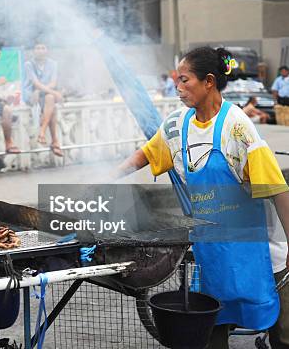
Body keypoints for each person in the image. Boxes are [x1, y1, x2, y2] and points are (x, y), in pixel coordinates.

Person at [115, 47, 289, 348]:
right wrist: (106, 177)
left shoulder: (237, 128)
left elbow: (278, 191)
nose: (178, 89)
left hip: (263, 252)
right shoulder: (177, 124)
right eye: (176, 80)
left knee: (283, 335)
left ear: (209, 81)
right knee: (212, 332)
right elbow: (146, 154)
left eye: (184, 80)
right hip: (215, 251)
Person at [23, 43, 64, 157]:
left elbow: (53, 82)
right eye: (37, 48)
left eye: (43, 48)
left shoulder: (53, 64)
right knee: (52, 101)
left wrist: (44, 91)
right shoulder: (29, 64)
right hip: (32, 94)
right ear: (33, 51)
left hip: (43, 94)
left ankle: (42, 132)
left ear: (47, 50)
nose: (40, 50)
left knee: (50, 99)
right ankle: (55, 141)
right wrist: (55, 92)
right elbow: (35, 83)